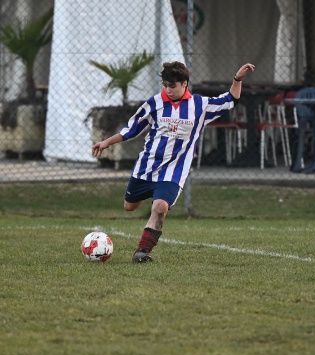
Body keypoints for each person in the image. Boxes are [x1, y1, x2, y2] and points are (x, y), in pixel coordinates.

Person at [92, 61, 255, 263]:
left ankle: (142, 252)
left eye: (173, 86)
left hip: (174, 171)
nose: (169, 90)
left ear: (185, 84)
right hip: (146, 167)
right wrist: (106, 142)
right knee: (129, 207)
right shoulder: (154, 103)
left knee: (160, 207)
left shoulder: (199, 105)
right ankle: (151, 192)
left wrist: (237, 79)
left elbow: (231, 99)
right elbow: (131, 129)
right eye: (166, 85)